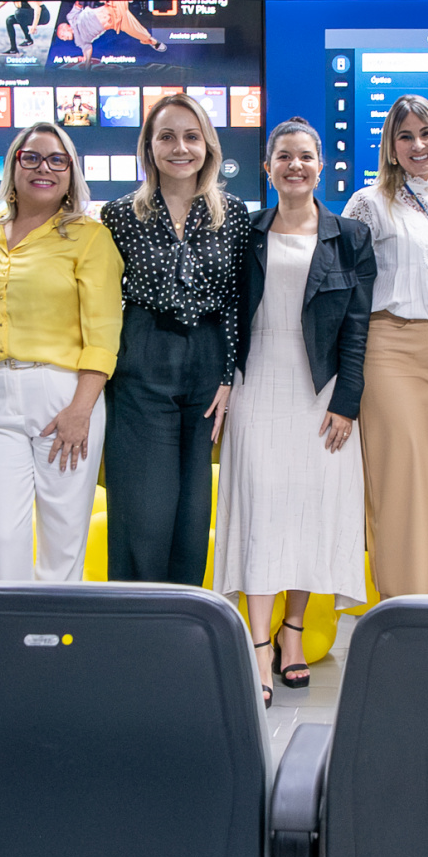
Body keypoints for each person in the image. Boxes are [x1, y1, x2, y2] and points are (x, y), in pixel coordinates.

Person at [214, 119, 375, 702]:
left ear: (320, 164)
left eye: (305, 156)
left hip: (321, 392)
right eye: (284, 156)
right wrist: (224, 382)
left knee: (310, 510)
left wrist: (347, 403)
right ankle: (258, 647)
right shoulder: (246, 231)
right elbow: (227, 314)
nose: (295, 166)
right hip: (257, 382)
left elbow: (357, 328)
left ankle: (293, 632)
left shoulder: (350, 236)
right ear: (268, 166)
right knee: (261, 509)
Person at [0, 121, 124, 580]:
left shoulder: (90, 237)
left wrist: (81, 409)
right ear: (13, 165)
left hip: (64, 396)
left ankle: (58, 626)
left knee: (63, 536)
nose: (43, 168)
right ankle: (5, 628)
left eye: (57, 160)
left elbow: (103, 333)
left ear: (71, 172)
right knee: (4, 534)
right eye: (30, 157)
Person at [98, 94, 250, 584]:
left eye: (191, 136)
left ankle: (183, 620)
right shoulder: (119, 214)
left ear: (208, 145)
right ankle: (136, 622)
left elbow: (237, 299)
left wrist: (227, 377)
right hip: (144, 357)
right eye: (166, 136)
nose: (180, 148)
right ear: (149, 147)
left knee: (192, 512)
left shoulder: (233, 213)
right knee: (143, 509)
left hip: (208, 361)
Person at [342, 94, 428, 598]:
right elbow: (345, 285)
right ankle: (401, 606)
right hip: (390, 348)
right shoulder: (369, 202)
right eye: (405, 136)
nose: (418, 145)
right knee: (405, 481)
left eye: (427, 133)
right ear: (390, 146)